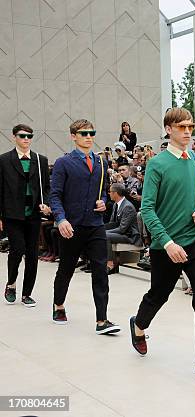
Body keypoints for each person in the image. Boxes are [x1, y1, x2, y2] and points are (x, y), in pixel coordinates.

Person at [129, 107, 195, 383]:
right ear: (169, 129)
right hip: (164, 245)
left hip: (194, 241)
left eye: (190, 126)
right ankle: (140, 324)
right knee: (159, 294)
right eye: (182, 127)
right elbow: (147, 209)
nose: (187, 131)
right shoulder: (157, 164)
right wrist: (167, 242)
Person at [50, 119, 120, 334]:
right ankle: (58, 305)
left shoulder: (101, 163)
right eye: (83, 133)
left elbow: (103, 193)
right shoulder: (64, 162)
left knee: (100, 270)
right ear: (73, 136)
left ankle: (102, 320)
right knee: (66, 269)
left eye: (91, 133)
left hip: (95, 225)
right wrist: (61, 219)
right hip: (71, 226)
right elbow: (54, 195)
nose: (89, 136)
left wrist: (103, 203)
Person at [0, 124, 51, 306]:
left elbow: (47, 187)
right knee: (17, 249)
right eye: (22, 136)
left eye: (29, 136)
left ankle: (27, 293)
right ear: (14, 137)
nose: (26, 139)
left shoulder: (40, 160)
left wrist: (48, 205)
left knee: (32, 253)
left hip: (34, 214)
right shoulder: (4, 160)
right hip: (12, 214)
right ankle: (11, 283)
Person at [105, 183, 141, 275]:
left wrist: (105, 231)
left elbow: (122, 229)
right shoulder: (115, 205)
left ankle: (110, 264)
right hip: (122, 233)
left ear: (115, 193)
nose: (109, 194)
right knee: (98, 233)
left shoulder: (127, 206)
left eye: (110, 192)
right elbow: (112, 224)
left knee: (106, 235)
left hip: (130, 235)